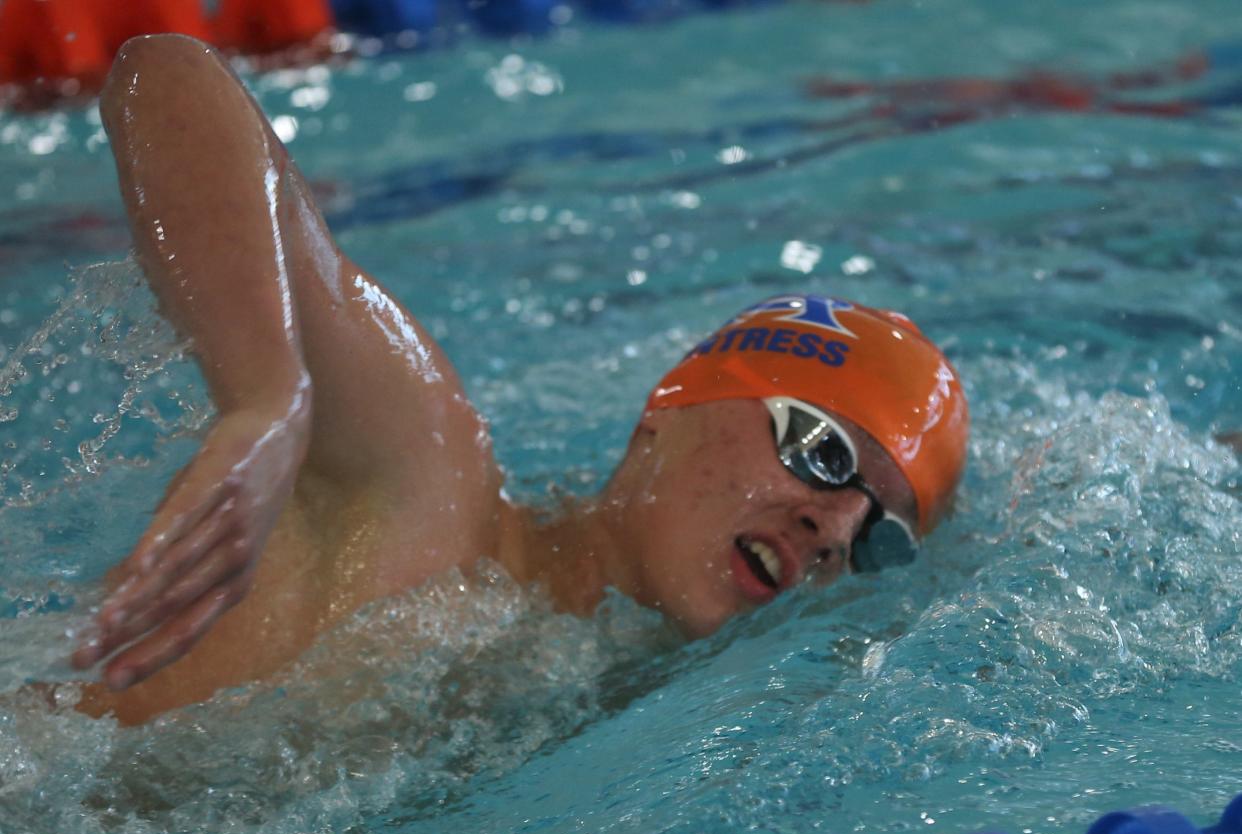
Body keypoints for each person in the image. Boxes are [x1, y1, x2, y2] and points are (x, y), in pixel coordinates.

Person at [70, 34, 968, 725]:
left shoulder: (588, 709)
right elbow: (164, 77)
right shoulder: (428, 482)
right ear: (671, 406)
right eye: (818, 449)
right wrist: (268, 397)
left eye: (880, 535)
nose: (833, 526)